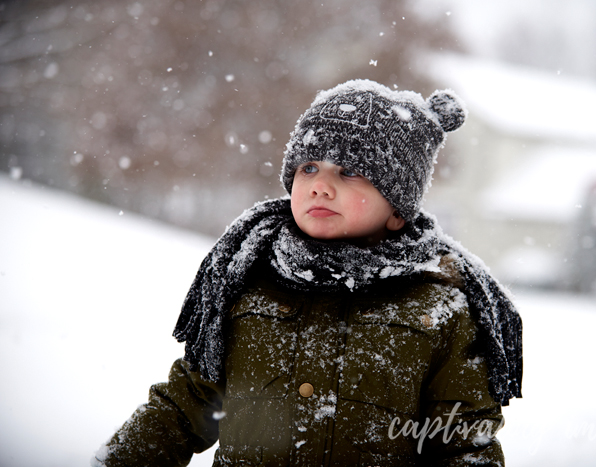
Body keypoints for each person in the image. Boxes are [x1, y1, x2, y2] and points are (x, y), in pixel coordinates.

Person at [92, 79, 522, 467]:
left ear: (396, 209)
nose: (319, 184)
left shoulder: (439, 304)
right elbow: (186, 405)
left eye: (349, 171)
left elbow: (464, 443)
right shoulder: (250, 277)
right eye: (308, 168)